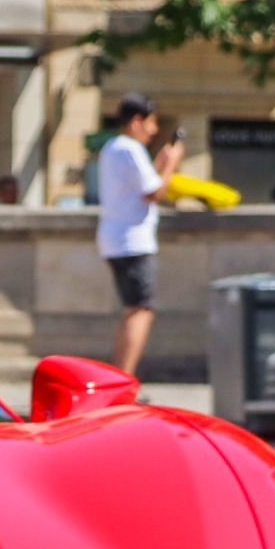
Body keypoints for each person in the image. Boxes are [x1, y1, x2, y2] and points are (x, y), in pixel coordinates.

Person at [92, 93, 182, 378]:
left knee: (133, 309)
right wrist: (171, 163)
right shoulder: (130, 149)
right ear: (136, 121)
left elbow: (139, 186)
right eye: (151, 123)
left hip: (115, 237)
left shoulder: (112, 147)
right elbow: (154, 192)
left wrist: (158, 166)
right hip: (132, 240)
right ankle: (125, 382)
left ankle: (121, 379)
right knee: (139, 310)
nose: (153, 131)